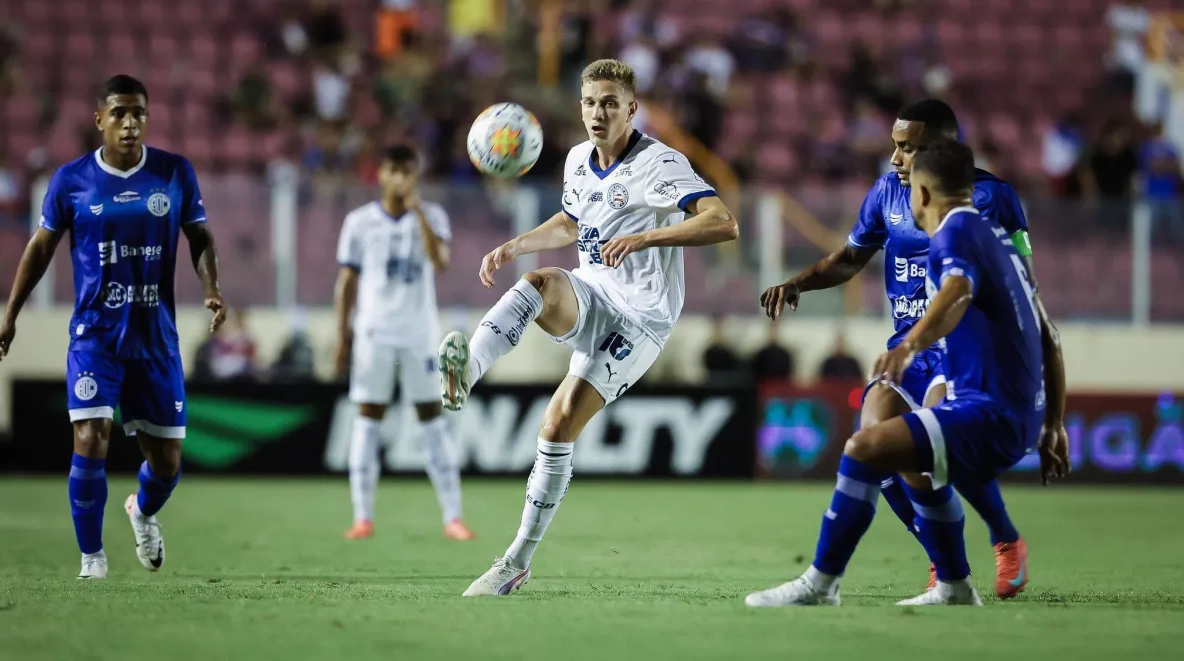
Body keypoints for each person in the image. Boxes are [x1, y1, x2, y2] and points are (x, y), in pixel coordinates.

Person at [439, 58, 738, 596]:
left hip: (643, 317)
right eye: (589, 102)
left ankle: (515, 561)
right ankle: (468, 373)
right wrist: (514, 244)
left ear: (631, 109)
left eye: (608, 103)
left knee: (555, 429)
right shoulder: (578, 159)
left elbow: (722, 222)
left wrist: (647, 238)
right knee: (539, 282)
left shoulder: (660, 164)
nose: (597, 113)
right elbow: (573, 223)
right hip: (594, 292)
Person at [759, 99, 1066, 598]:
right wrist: (800, 283)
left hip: (955, 345)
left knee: (934, 447)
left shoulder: (989, 200)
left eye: (910, 149)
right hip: (907, 341)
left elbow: (1018, 282)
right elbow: (851, 257)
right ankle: (942, 562)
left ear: (941, 150)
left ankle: (1004, 540)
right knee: (876, 438)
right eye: (895, 147)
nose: (897, 159)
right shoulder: (886, 192)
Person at [0, 75, 227, 578]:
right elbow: (41, 247)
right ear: (99, 119)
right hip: (95, 335)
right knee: (91, 435)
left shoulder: (173, 172)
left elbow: (200, 237)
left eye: (138, 112)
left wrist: (211, 288)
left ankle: (141, 512)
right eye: (118, 113)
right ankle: (91, 558)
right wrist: (10, 316)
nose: (129, 122)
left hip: (155, 339)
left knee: (166, 463)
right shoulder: (71, 180)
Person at [334, 144, 474, 541]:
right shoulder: (359, 223)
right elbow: (346, 283)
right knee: (368, 419)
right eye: (395, 170)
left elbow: (441, 261)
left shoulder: (432, 216)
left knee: (432, 419)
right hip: (374, 332)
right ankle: (363, 516)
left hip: (418, 333)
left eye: (409, 171)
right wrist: (341, 335)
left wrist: (418, 215)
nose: (402, 178)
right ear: (381, 173)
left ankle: (453, 517)